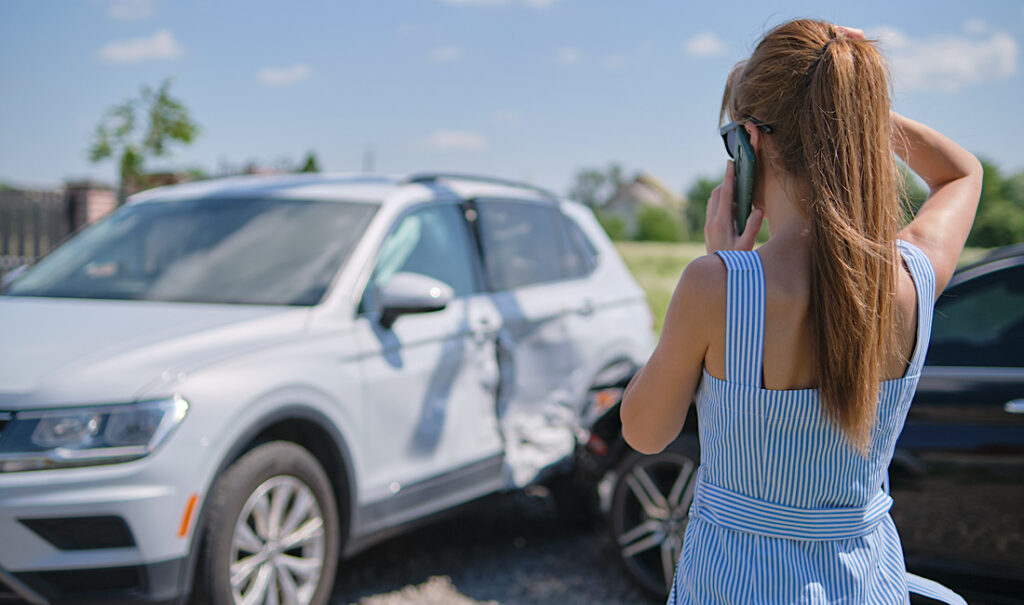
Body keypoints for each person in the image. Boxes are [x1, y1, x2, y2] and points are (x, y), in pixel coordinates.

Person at [619, 19, 982, 604]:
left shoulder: (716, 287)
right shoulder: (912, 277)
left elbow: (644, 431)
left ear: (748, 143)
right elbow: (963, 173)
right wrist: (852, 107)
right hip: (865, 583)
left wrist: (718, 267)